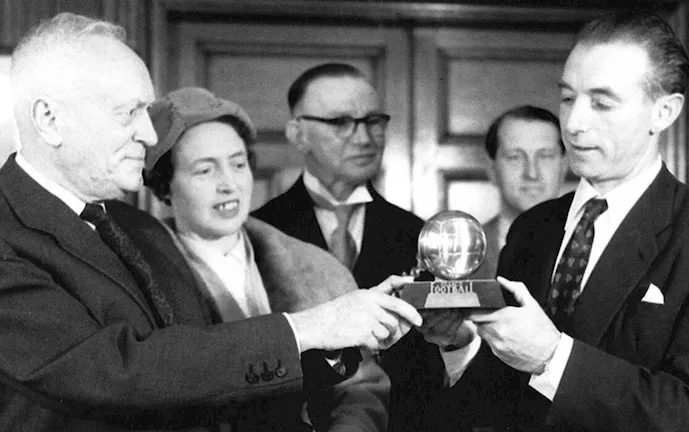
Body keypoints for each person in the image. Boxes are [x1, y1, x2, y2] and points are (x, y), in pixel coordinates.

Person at [0, 12, 422, 432]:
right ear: (49, 120)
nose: (149, 135)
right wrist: (310, 327)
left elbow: (198, 373)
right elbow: (115, 370)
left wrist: (341, 339)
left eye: (146, 111)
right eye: (127, 113)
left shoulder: (135, 227)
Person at [420, 10, 689, 432]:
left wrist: (553, 357)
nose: (573, 123)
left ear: (664, 112)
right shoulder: (533, 228)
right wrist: (459, 345)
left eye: (601, 103)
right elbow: (503, 399)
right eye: (568, 98)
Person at [143, 86, 390, 431]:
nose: (229, 184)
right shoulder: (139, 274)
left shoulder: (316, 269)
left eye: (238, 164)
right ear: (164, 186)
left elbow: (359, 387)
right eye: (205, 171)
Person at [252, 63, 445, 432]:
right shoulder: (260, 232)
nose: (364, 137)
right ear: (297, 134)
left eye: (374, 121)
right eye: (341, 122)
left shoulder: (417, 234)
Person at [473, 105, 568, 279]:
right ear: (491, 169)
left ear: (564, 166)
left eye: (545, 156)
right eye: (514, 157)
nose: (532, 173)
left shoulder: (588, 246)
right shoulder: (462, 254)